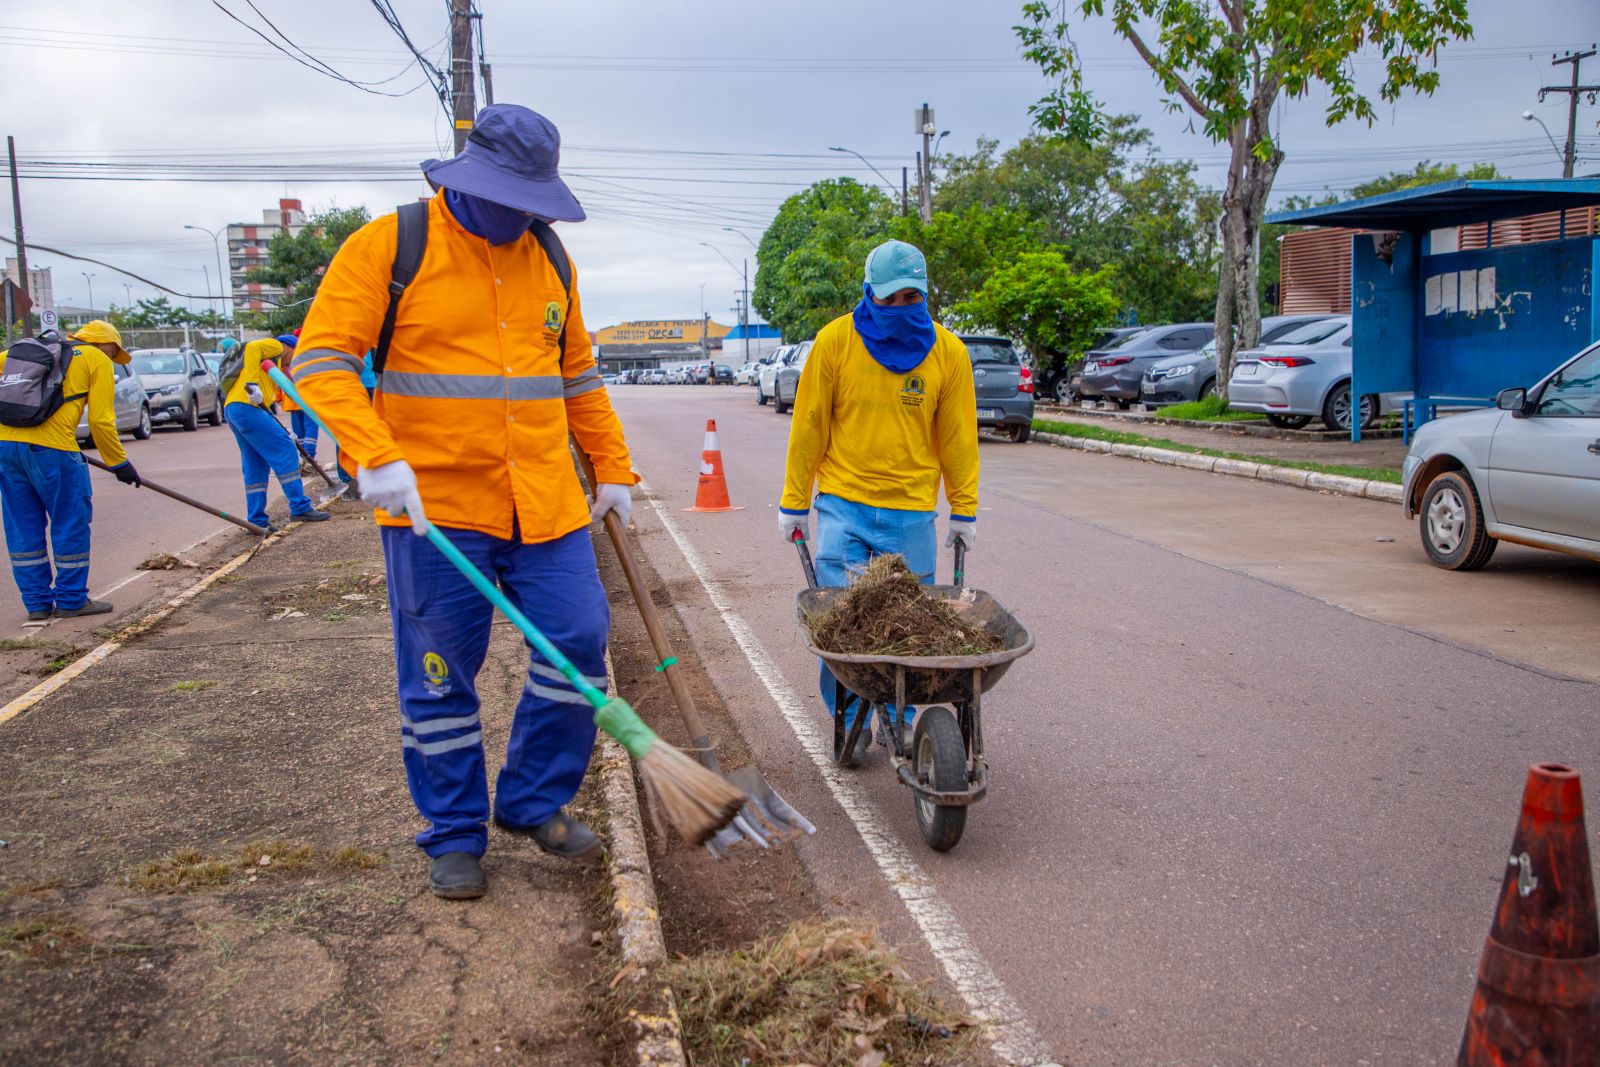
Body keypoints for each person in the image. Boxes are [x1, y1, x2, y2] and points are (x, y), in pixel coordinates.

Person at [294, 103, 637, 900]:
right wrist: (372, 455)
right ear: (466, 178)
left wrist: (612, 468)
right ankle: (452, 831)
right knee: (442, 675)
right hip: (435, 509)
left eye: (532, 202)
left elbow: (578, 374)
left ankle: (532, 799)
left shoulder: (550, 258)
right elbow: (319, 362)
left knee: (579, 641)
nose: (521, 216)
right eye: (509, 197)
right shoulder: (389, 245)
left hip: (544, 501)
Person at [778, 240, 979, 759]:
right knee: (842, 627)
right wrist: (794, 501)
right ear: (869, 293)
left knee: (912, 631)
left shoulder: (948, 352)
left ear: (925, 295)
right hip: (843, 506)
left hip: (912, 513)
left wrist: (964, 508)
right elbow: (809, 426)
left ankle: (903, 717)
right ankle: (849, 715)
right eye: (889, 298)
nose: (899, 308)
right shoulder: (835, 342)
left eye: (911, 297)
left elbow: (958, 437)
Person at [0, 320, 140, 620]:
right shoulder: (97, 359)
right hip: (54, 449)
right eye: (115, 354)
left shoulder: (30, 350)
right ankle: (71, 599)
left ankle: (36, 604)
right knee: (69, 520)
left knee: (22, 526)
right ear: (109, 345)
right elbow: (101, 420)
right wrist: (119, 464)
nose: (114, 360)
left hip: (6, 446)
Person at [223, 337, 329, 531]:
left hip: (234, 409)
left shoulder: (271, 366)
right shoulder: (275, 345)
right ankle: (300, 507)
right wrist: (252, 384)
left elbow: (273, 397)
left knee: (255, 462)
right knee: (285, 449)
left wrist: (282, 427)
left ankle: (256, 520)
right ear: (289, 347)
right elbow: (253, 346)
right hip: (246, 407)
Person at [276, 332, 319, 461]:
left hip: (307, 402)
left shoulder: (303, 360)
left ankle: (308, 454)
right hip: (296, 402)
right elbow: (279, 384)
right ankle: (304, 455)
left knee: (307, 428)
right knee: (300, 430)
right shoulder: (282, 365)